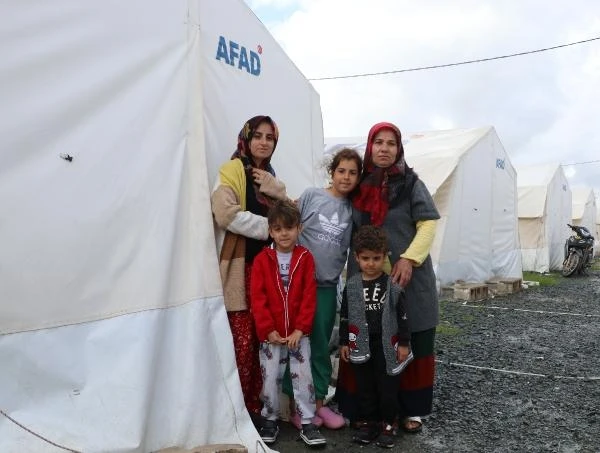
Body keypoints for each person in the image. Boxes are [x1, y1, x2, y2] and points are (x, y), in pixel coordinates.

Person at [350, 121, 440, 434]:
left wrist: (409, 258)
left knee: (411, 337)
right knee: (367, 340)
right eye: (379, 142)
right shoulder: (359, 185)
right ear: (370, 147)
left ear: (398, 149)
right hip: (366, 280)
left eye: (391, 143)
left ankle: (411, 410)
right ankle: (367, 409)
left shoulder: (412, 183)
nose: (384, 149)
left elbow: (428, 224)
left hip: (409, 280)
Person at [211, 115, 287, 427]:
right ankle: (236, 410)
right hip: (240, 267)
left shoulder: (269, 177)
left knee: (264, 338)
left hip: (268, 267)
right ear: (246, 137)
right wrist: (270, 227)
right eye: (258, 135)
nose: (264, 142)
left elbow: (289, 216)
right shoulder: (231, 170)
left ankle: (258, 406)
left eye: (270, 137)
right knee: (241, 341)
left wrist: (277, 190)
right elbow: (224, 214)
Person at [284, 148, 362, 430]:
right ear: (332, 171)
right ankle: (294, 407)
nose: (346, 177)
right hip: (299, 284)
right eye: (341, 170)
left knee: (319, 345)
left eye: (353, 173)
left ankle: (317, 404)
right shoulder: (311, 196)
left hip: (327, 287)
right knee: (295, 342)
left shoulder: (352, 211)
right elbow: (289, 228)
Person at [250, 199, 327, 446]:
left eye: (289, 228)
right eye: (278, 229)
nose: (284, 234)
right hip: (271, 337)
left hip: (298, 336)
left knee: (303, 378)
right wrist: (267, 329)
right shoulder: (263, 260)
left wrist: (300, 329)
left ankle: (307, 422)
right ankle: (270, 419)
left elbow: (308, 296)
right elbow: (258, 297)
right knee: (270, 378)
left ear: (299, 229)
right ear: (271, 231)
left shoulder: (305, 258)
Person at [339, 225, 411, 448]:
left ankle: (389, 424)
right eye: (365, 258)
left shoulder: (392, 285)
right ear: (357, 258)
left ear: (385, 257)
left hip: (386, 345)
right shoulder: (351, 285)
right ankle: (369, 424)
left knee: (387, 386)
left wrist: (404, 343)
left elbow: (404, 316)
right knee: (365, 386)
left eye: (376, 258)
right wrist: (344, 342)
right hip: (360, 344)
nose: (371, 263)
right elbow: (345, 316)